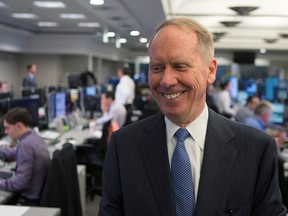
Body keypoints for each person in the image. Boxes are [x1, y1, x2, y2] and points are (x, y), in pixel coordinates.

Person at [98, 17, 286, 216]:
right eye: (157, 68)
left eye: (180, 66)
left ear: (211, 70)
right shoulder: (124, 146)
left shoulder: (256, 149)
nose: (166, 80)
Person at [0, 107, 50, 206]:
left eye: (7, 128)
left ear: (19, 125)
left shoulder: (25, 145)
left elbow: (19, 184)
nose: (6, 132)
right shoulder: (34, 137)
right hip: (38, 194)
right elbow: (16, 151)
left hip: (28, 200)